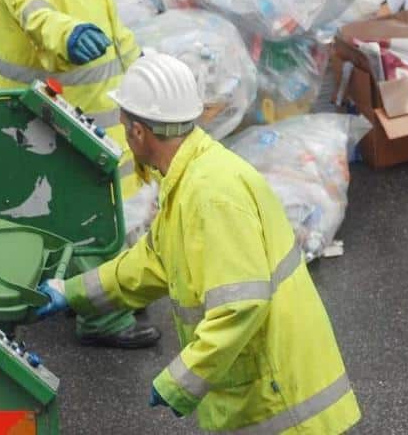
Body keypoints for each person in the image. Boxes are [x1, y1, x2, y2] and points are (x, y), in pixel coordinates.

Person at [36, 53, 362, 433]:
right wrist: (71, 292)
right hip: (263, 382)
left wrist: (180, 381)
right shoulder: (189, 177)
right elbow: (152, 261)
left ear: (140, 132)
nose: (123, 134)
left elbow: (239, 307)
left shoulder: (210, 195)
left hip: (283, 400)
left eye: (125, 125)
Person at [0, 0, 159, 348]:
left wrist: (140, 65)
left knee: (103, 215)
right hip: (53, 120)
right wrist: (67, 36)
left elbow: (114, 31)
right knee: (87, 223)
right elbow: (36, 13)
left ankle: (99, 293)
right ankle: (104, 318)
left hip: (88, 120)